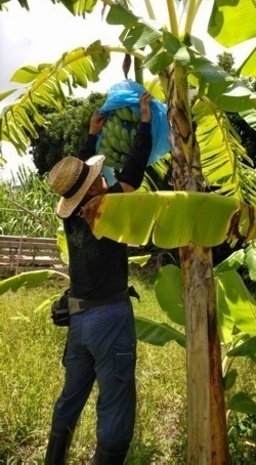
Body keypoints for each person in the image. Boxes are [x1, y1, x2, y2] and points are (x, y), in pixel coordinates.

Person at [44, 92, 153, 465]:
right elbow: (134, 169)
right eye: (96, 178)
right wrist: (144, 121)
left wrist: (91, 136)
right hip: (108, 319)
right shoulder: (105, 209)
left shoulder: (72, 216)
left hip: (79, 322)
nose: (103, 178)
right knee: (116, 404)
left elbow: (76, 179)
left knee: (71, 397)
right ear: (90, 189)